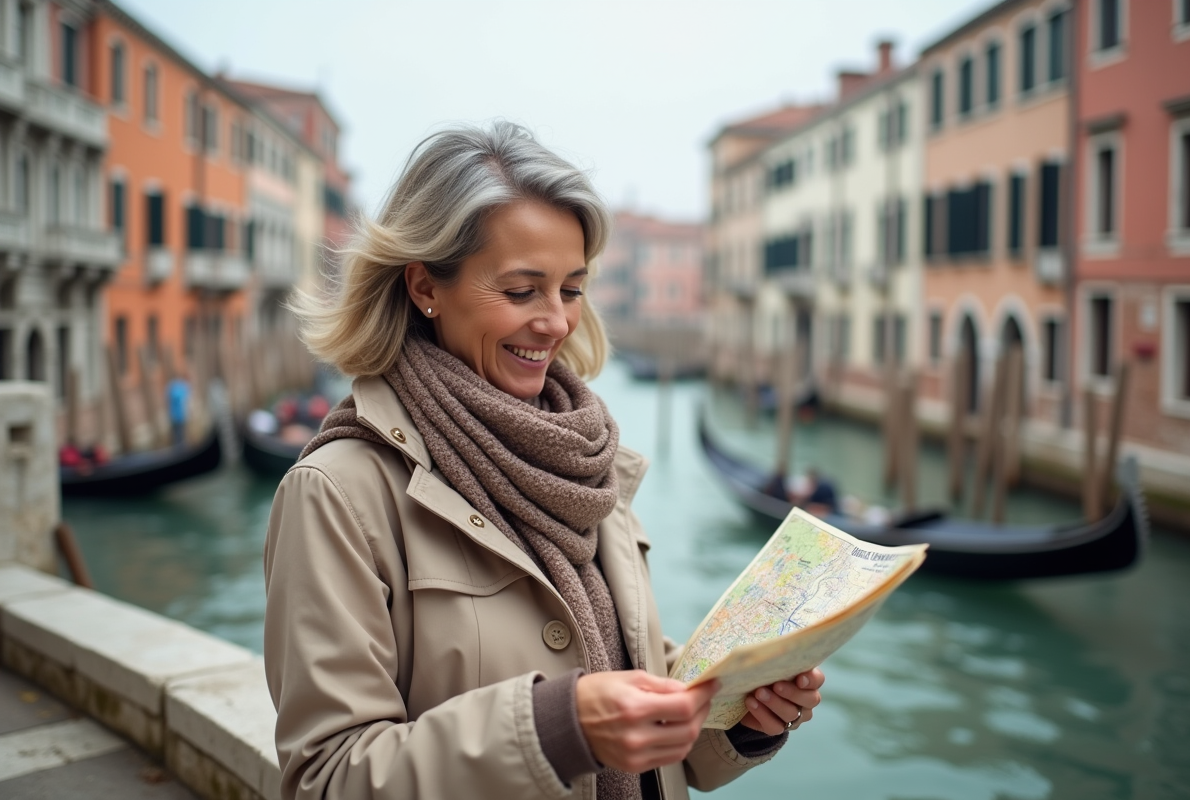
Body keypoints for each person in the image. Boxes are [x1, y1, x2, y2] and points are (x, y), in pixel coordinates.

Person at [263, 122, 824, 800]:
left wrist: (736, 716)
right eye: (523, 290)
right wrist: (554, 730)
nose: (558, 322)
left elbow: (631, 686)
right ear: (424, 287)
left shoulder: (589, 465)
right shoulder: (338, 493)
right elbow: (326, 780)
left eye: (571, 288)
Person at [166, 370, 191, 446]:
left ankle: (180, 445)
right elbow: (181, 399)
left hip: (177, 416)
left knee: (179, 434)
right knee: (179, 434)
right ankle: (180, 446)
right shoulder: (180, 388)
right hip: (178, 416)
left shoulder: (172, 387)